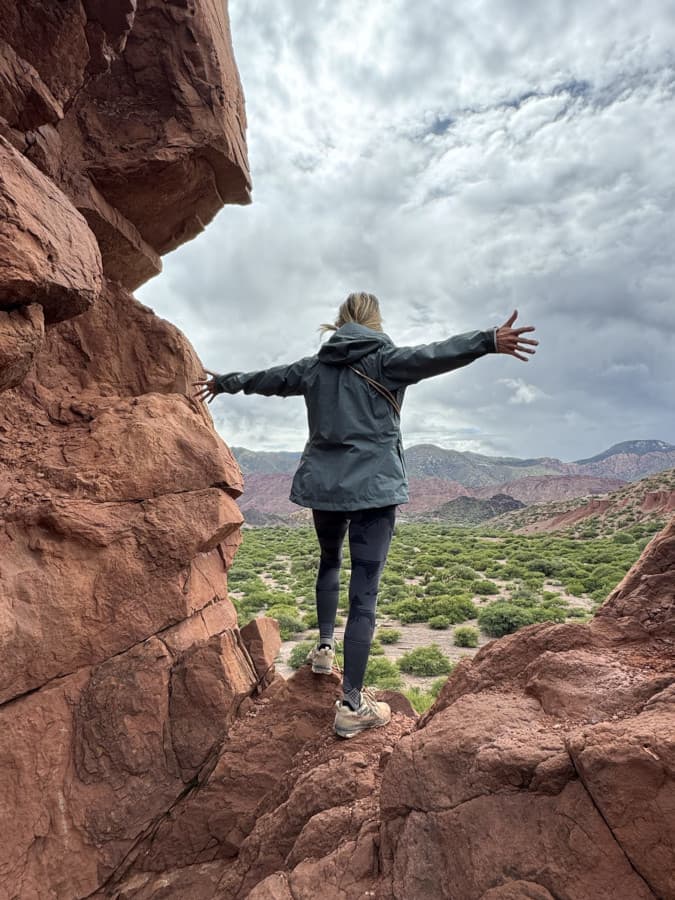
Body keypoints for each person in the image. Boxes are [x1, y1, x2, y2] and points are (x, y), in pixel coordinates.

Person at [194, 292, 537, 738]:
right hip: (374, 490)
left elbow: (271, 379)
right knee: (365, 593)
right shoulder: (385, 360)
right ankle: (352, 703)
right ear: (374, 322)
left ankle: (321, 649)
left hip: (326, 487)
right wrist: (489, 339)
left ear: (339, 324)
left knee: (330, 561)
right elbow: (436, 354)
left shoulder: (314, 367)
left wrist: (226, 383)